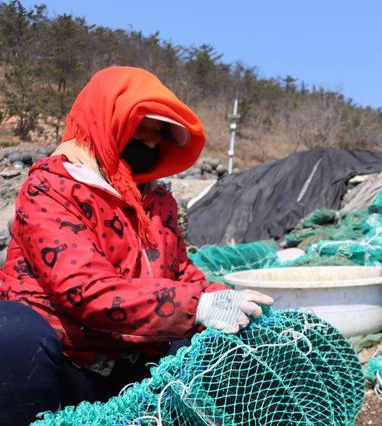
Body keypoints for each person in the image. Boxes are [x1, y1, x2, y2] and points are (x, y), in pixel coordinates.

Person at [0, 66, 273, 425]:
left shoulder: (158, 202)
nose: (151, 140)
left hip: (135, 355)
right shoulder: (51, 188)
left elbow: (182, 274)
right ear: (106, 120)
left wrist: (226, 298)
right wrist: (196, 306)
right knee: (11, 332)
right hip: (66, 357)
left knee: (216, 341)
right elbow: (84, 290)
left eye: (159, 131)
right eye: (140, 125)